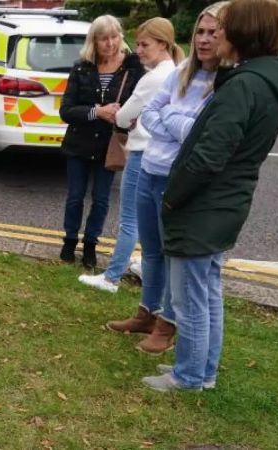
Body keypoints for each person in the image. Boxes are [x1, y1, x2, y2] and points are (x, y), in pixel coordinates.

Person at [143, 0, 278, 392]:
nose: (218, 36)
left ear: (244, 34)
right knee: (207, 290)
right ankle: (203, 371)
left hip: (206, 207)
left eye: (225, 29)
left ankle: (190, 376)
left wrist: (174, 197)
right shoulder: (259, 80)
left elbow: (209, 155)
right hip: (226, 203)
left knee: (191, 298)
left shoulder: (243, 85)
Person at [104, 2, 226, 355]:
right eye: (199, 32)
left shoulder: (224, 80)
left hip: (176, 177)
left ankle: (166, 325)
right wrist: (173, 121)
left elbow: (194, 132)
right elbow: (150, 117)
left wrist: (169, 119)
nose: (203, 40)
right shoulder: (182, 71)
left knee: (174, 256)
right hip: (149, 169)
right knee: (153, 251)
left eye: (212, 33)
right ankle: (147, 311)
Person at [78, 18, 184, 293]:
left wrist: (125, 117)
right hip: (161, 153)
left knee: (130, 219)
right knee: (151, 220)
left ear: (163, 44)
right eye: (137, 43)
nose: (138, 50)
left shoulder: (154, 78)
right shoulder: (175, 71)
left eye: (144, 44)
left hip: (141, 152)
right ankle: (146, 269)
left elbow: (124, 117)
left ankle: (111, 277)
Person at [59, 15, 145, 269]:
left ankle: (90, 245)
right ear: (94, 42)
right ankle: (69, 241)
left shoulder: (133, 69)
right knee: (75, 196)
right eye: (103, 38)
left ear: (120, 37)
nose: (110, 43)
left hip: (110, 146)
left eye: (114, 36)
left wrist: (125, 118)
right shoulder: (82, 67)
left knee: (101, 199)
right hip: (79, 143)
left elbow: (141, 106)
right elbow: (66, 110)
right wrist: (98, 111)